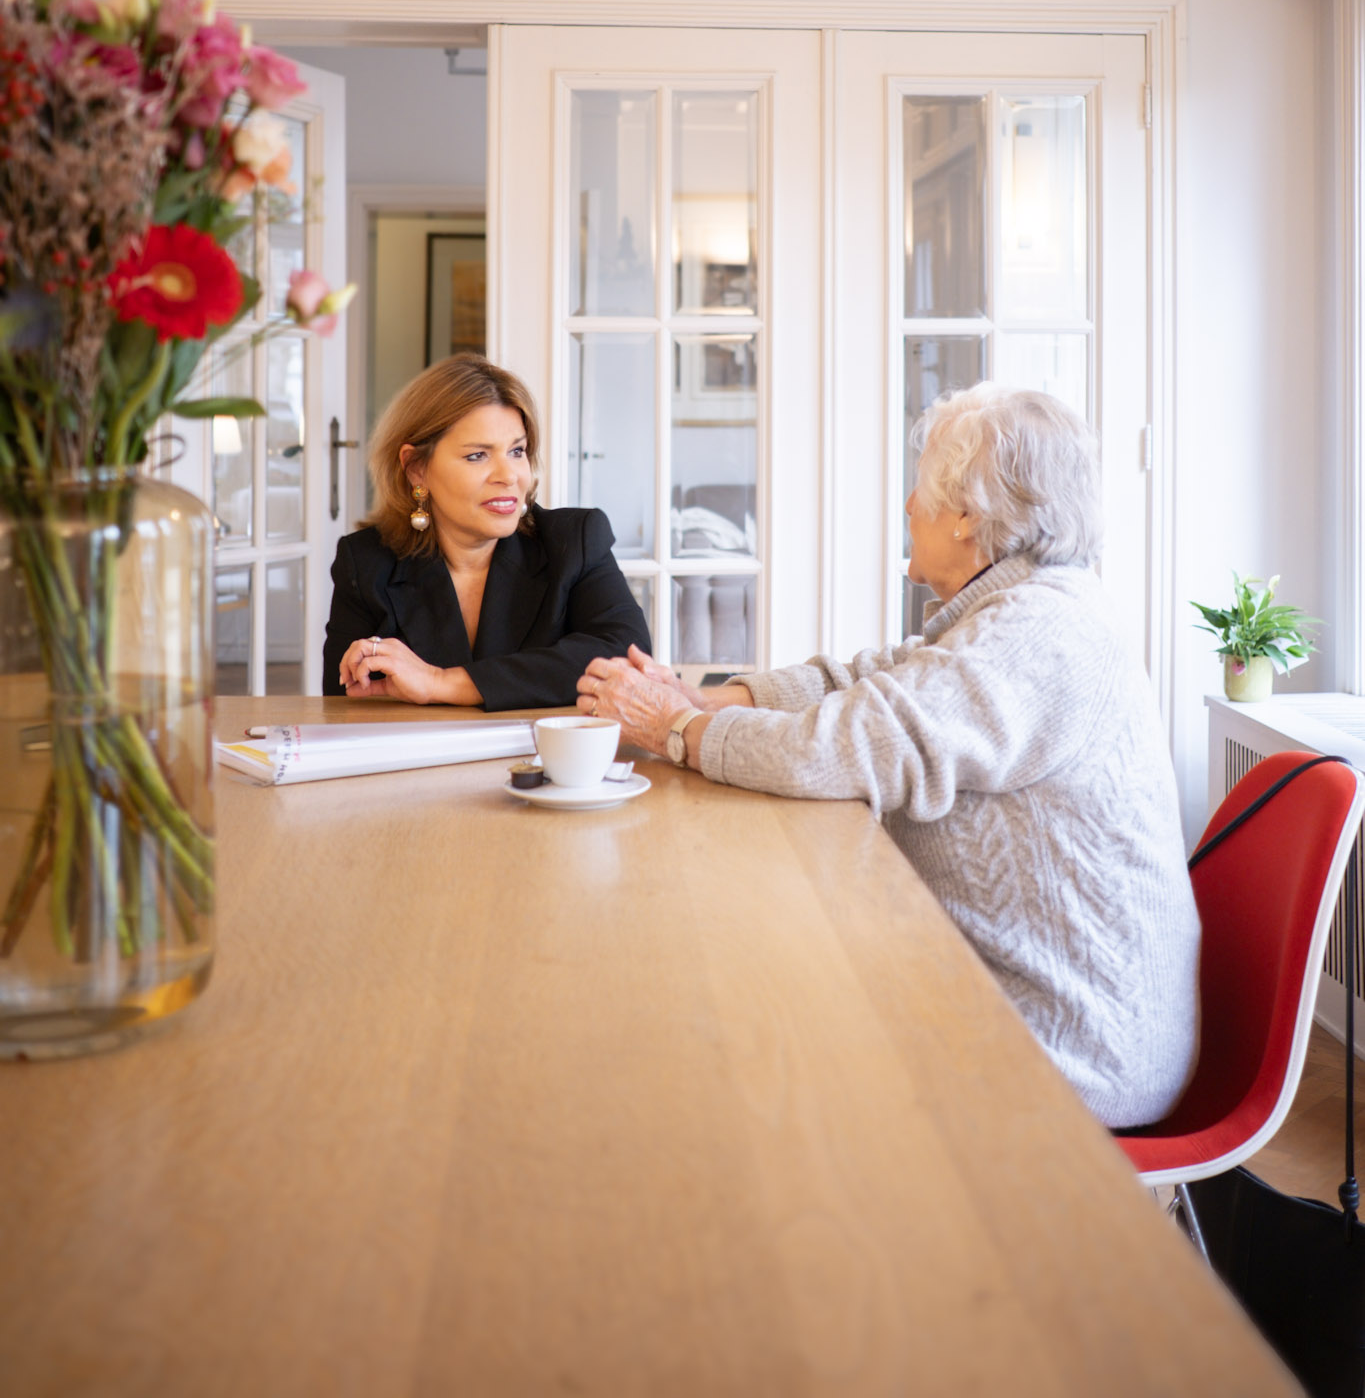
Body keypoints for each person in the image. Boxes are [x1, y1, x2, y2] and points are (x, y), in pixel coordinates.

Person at [578, 383, 1200, 1128]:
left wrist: (674, 728)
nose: (908, 507)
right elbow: (867, 680)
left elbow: (838, 749)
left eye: (921, 490)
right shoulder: (1018, 606)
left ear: (967, 515)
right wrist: (703, 702)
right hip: (1012, 994)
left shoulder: (1038, 635)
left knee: (736, 1016)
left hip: (1067, 1048)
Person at [324, 354, 650, 709]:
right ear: (416, 468)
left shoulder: (574, 541)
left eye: (517, 451)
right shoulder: (365, 563)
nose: (509, 476)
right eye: (478, 455)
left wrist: (440, 682)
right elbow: (344, 707)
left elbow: (626, 655)